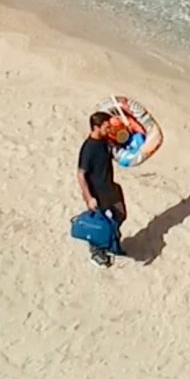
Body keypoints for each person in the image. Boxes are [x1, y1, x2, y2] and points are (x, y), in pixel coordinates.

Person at [75, 110, 127, 267]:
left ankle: (111, 243)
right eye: (106, 127)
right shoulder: (88, 149)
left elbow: (118, 146)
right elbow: (81, 174)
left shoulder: (104, 141)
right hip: (98, 193)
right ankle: (97, 252)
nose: (108, 129)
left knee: (120, 215)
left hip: (110, 187)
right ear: (96, 127)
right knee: (100, 224)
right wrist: (89, 198)